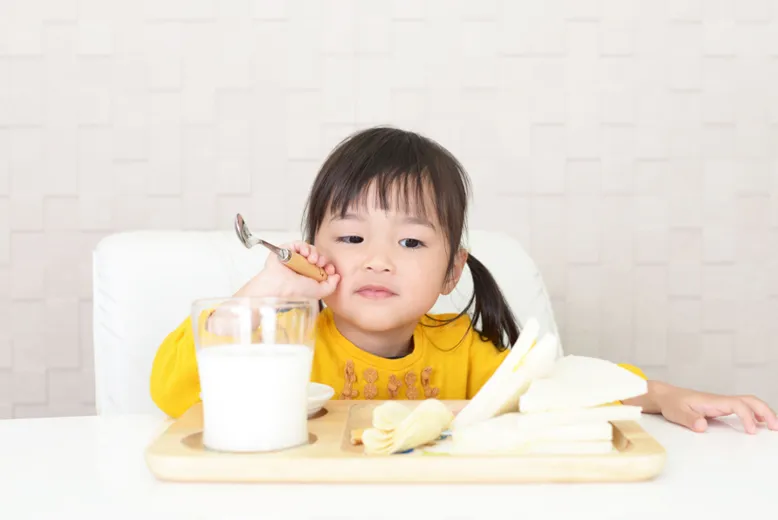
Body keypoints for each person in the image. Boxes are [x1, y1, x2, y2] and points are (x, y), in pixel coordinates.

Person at [150, 126, 777, 434]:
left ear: (453, 271)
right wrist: (270, 288)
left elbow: (562, 389)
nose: (377, 259)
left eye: (411, 241)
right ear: (315, 254)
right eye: (350, 237)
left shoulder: (461, 350)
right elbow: (172, 390)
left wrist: (667, 397)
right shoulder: (287, 342)